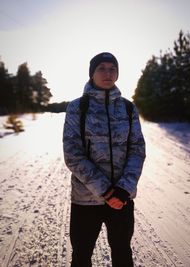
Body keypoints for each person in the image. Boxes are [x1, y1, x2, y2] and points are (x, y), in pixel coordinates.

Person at [63, 52, 146, 267]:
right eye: (102, 68)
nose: (108, 73)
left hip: (122, 199)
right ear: (92, 73)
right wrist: (106, 191)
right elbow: (73, 154)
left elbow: (137, 149)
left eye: (112, 68)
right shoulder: (77, 108)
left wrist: (123, 190)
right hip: (85, 200)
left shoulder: (128, 108)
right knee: (81, 255)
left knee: (122, 253)